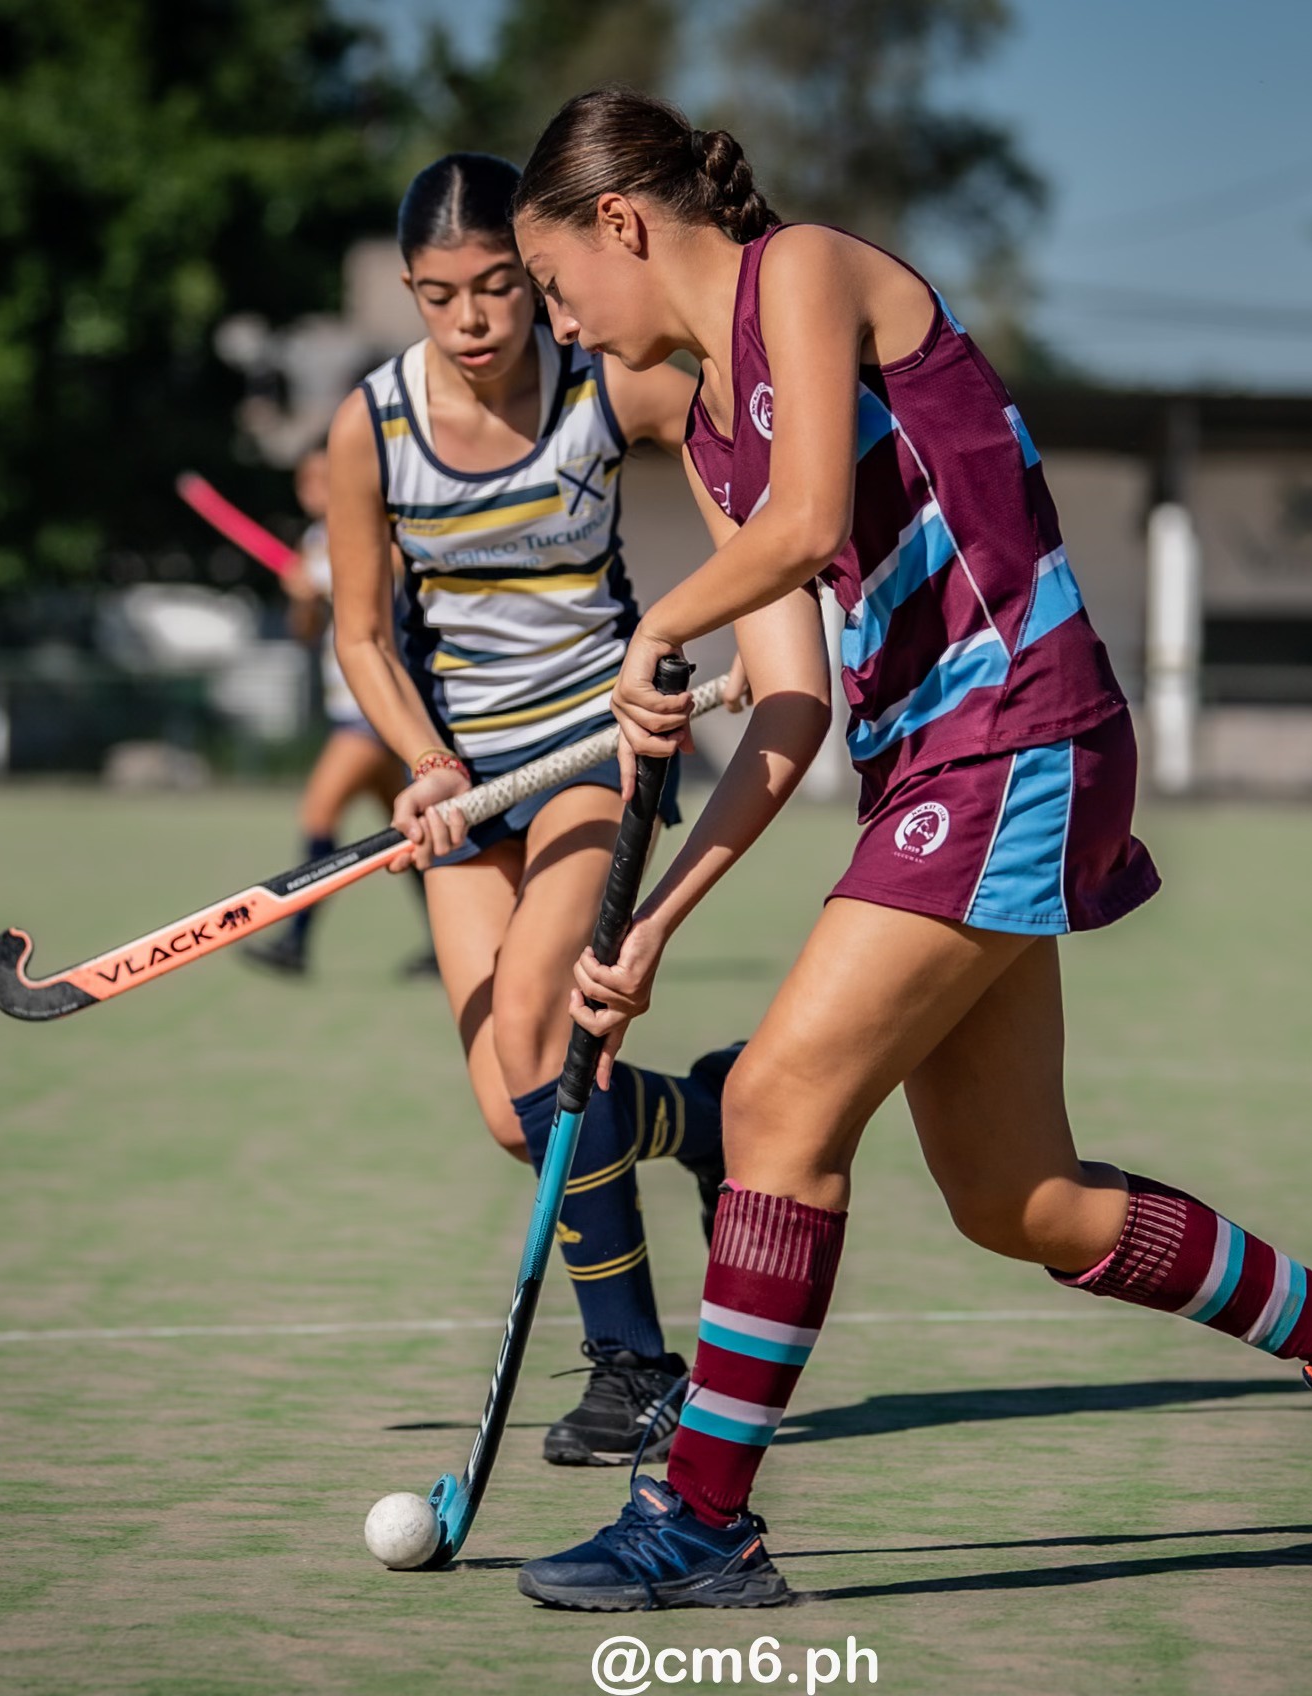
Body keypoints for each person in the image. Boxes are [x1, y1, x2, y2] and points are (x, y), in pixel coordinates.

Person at [502, 90, 1312, 1610]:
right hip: (930, 777)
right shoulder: (712, 455)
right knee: (1020, 1198)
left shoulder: (797, 272)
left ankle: (702, 1519)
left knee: (778, 1106)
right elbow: (795, 708)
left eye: (555, 286)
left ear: (620, 223)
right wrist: (656, 924)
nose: (562, 323)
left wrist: (667, 623)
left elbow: (815, 513)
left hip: (1021, 733)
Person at [324, 153, 820, 1466]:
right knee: (514, 1109)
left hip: (598, 754)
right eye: (439, 297)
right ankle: (708, 1120)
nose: (475, 323)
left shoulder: (607, 383)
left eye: (498, 287)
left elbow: (743, 446)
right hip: (463, 779)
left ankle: (635, 1367)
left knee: (546, 1033)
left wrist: (755, 585)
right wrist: (425, 767)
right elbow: (363, 637)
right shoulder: (369, 428)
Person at [243, 449, 437, 980]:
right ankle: (448, 941)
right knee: (409, 836)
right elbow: (307, 629)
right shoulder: (311, 542)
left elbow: (386, 577)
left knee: (318, 814)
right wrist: (302, 596)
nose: (310, 486)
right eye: (305, 477)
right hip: (345, 705)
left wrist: (322, 581)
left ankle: (294, 942)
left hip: (375, 708)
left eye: (323, 477)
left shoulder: (381, 529)